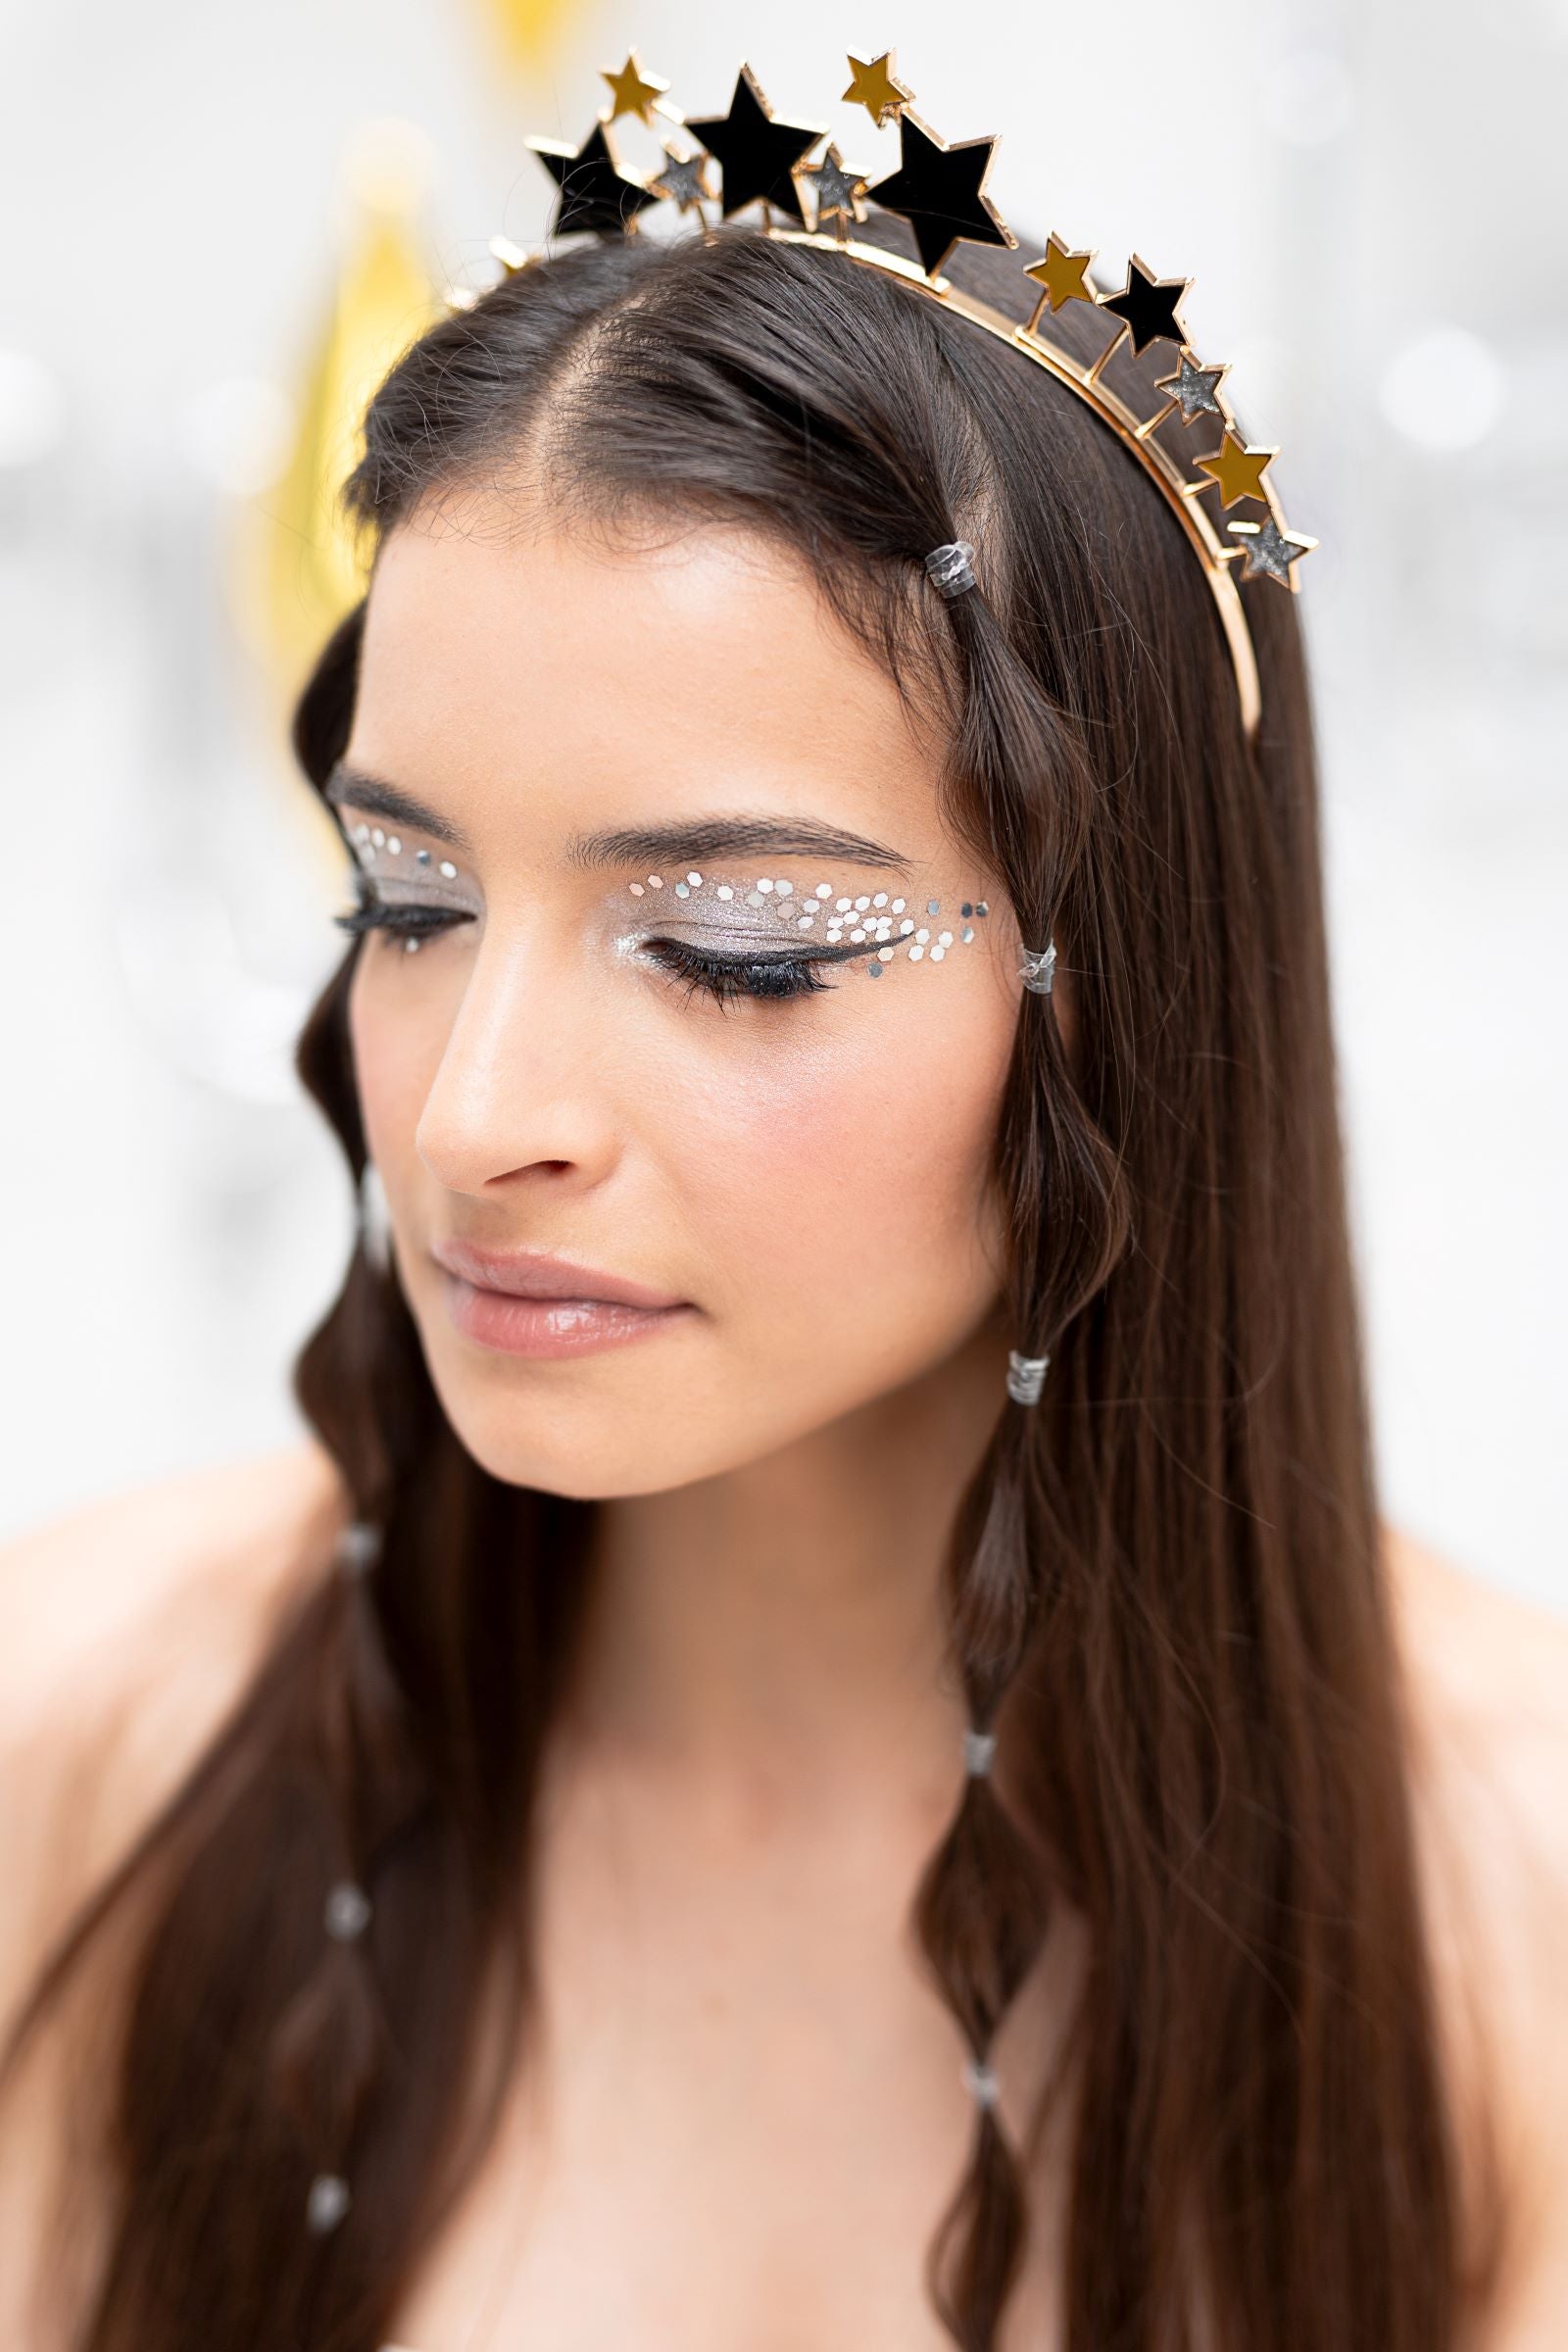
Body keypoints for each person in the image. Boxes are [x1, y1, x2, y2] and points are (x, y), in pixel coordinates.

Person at [2, 56, 1566, 2352]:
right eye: (409, 899)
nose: (472, 1114)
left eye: (732, 948)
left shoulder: (1495, 1907)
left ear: (1112, 985)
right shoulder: (92, 1743)